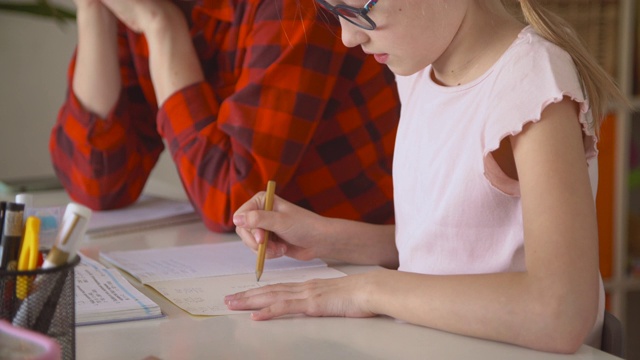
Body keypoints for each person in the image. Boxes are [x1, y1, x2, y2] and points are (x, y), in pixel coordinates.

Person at [226, 0, 629, 353]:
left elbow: (559, 312)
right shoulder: (417, 73)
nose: (347, 37)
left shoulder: (531, 81)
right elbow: (456, 248)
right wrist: (325, 236)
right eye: (334, 11)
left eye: (360, 8)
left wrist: (369, 289)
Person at [49, 0, 400, 232]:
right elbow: (96, 184)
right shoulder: (143, 7)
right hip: (270, 267)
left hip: (370, 266)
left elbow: (232, 203)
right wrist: (92, 9)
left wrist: (161, 28)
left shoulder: (289, 7)